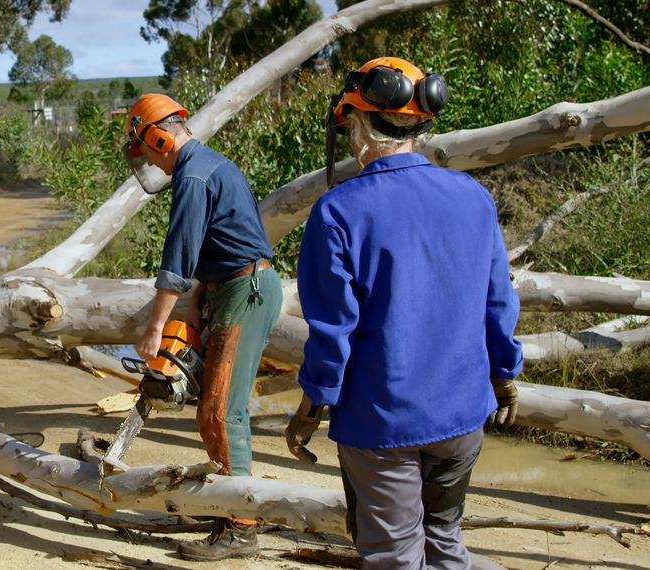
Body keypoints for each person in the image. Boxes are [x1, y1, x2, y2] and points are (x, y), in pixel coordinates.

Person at [284, 57, 523, 569]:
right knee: (444, 544)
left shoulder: (339, 211)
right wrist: (504, 377)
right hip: (462, 414)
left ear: (356, 122)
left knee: (393, 556)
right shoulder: (473, 197)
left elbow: (332, 334)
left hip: (382, 425)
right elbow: (498, 302)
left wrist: (310, 409)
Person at [124, 93, 282, 561]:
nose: (149, 159)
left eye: (147, 150)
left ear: (158, 136)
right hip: (228, 286)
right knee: (214, 406)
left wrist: (156, 327)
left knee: (220, 411)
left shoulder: (193, 174)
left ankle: (241, 527)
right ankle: (225, 502)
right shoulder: (209, 163)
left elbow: (178, 255)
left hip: (244, 292)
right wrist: (198, 299)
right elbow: (221, 241)